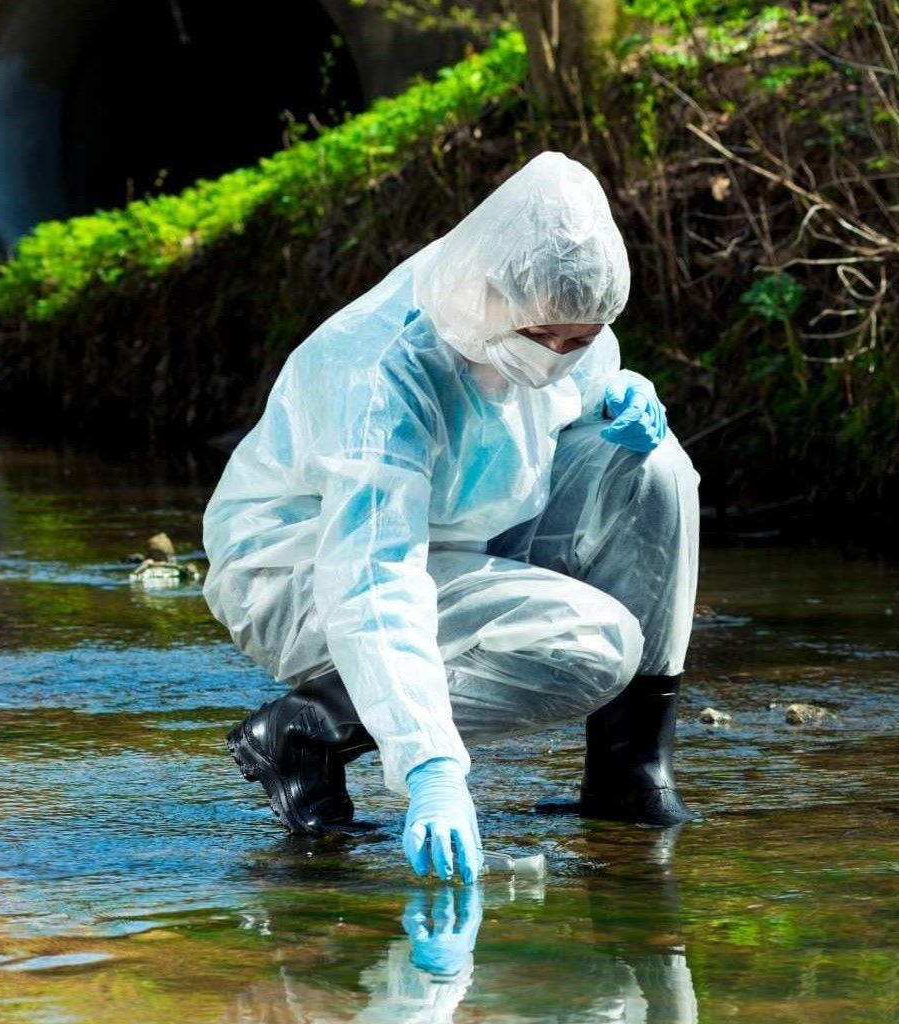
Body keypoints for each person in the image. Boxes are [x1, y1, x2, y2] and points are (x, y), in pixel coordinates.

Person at [202, 151, 700, 883]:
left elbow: (573, 393)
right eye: (547, 339)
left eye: (582, 340)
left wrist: (622, 386)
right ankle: (312, 728)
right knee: (594, 646)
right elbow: (374, 576)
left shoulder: (550, 304)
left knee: (654, 467)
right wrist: (431, 768)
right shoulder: (385, 370)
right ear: (498, 300)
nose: (562, 356)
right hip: (302, 568)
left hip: (468, 532)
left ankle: (630, 770)